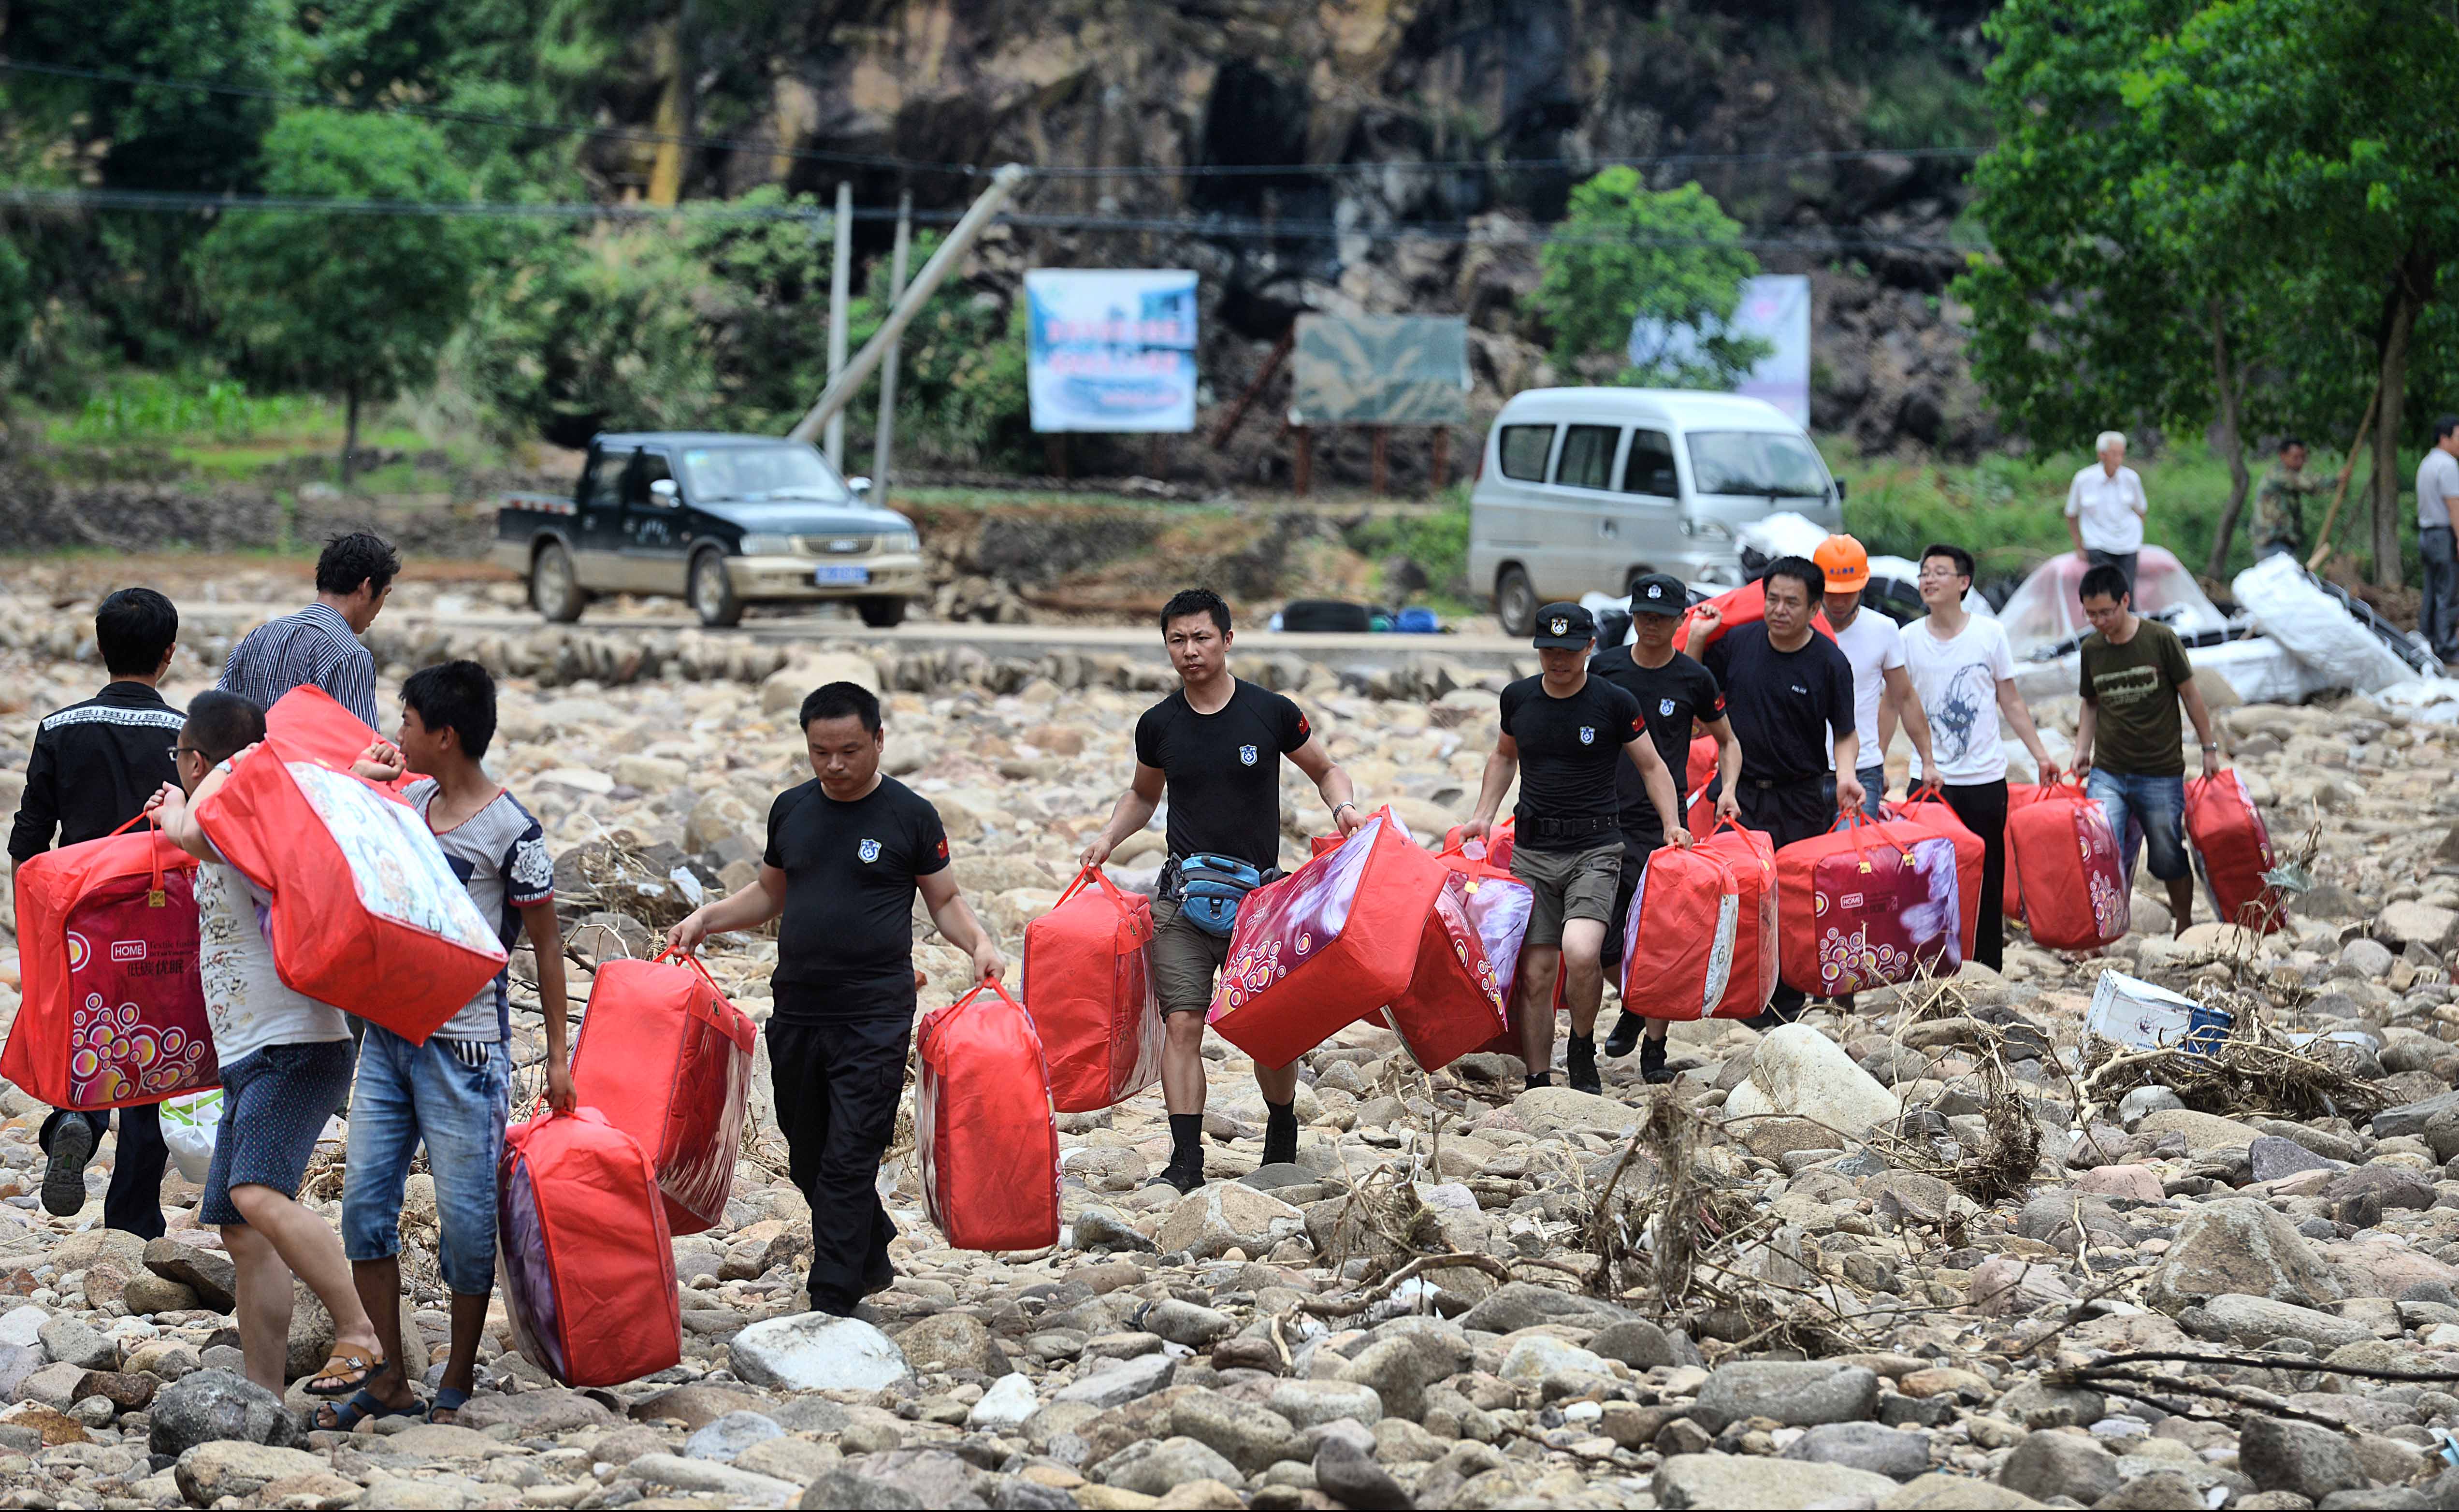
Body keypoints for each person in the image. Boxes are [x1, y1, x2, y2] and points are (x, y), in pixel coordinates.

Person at [665, 682, 1002, 1316]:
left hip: (875, 1012)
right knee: (806, 1152)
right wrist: (707, 918)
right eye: (820, 751)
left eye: (849, 750)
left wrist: (978, 944)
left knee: (851, 1153)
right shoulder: (791, 809)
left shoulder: (910, 815)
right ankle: (869, 1249)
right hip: (797, 1006)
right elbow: (770, 894)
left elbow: (945, 901)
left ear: (878, 740)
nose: (834, 765)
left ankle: (832, 1295)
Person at [328, 662, 570, 1428]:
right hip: (389, 1040)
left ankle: (458, 1376)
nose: (396, 733)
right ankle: (391, 1372)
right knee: (365, 1203)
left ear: (445, 734)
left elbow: (547, 946)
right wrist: (364, 779)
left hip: (466, 1051)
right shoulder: (410, 801)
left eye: (406, 721)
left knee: (467, 1221)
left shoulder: (513, 833)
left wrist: (559, 1055)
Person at [1078, 589, 1360, 1192]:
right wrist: (1108, 836)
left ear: (1228, 640)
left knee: (1268, 1026)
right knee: (1183, 1025)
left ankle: (1280, 1129)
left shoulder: (1271, 713)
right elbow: (1144, 796)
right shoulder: (1159, 725)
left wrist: (1345, 809)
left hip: (1259, 903)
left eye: (1202, 638)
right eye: (1177, 640)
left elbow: (1326, 770)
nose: (1190, 651)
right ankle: (1186, 1161)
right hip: (1180, 899)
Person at [148, 691, 385, 1398]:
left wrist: (182, 808)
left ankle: (360, 1328)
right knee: (240, 1229)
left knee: (255, 1194)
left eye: (185, 759)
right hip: (255, 1050)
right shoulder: (252, 803)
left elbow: (198, 835)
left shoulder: (243, 804)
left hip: (296, 1044)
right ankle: (262, 1396)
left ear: (197, 759)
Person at [7, 588, 184, 1234]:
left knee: (82, 1032)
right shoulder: (184, 735)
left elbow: (27, 842)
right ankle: (133, 1223)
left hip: (82, 917)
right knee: (151, 1049)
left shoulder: (59, 729)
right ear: (168, 654)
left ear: (101, 648)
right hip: (160, 920)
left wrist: (44, 914)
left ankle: (73, 1119)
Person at [1462, 601, 1688, 1094]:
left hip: (1596, 848)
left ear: (1589, 647)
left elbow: (1651, 766)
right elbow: (1504, 757)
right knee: (1538, 973)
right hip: (1533, 851)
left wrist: (1672, 823)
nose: (1558, 660)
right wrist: (1482, 814)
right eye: (1548, 650)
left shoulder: (1614, 702)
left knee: (1582, 951)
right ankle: (1538, 1078)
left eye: (1568, 650)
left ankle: (1581, 1046)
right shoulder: (1518, 699)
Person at [1693, 558, 1860, 1027]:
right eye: (1772, 599)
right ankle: (1744, 996)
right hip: (1740, 795)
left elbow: (1845, 732)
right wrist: (1698, 640)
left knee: (1792, 900)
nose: (1779, 610)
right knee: (1741, 896)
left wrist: (1846, 774)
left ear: (1814, 610)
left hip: (1802, 797)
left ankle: (1788, 1003)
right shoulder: (1739, 645)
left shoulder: (1829, 662)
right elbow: (1692, 691)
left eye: (1792, 602)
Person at [1588, 575, 1739, 1082]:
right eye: (1643, 615)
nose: (1651, 625)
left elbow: (1728, 741)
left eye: (1662, 617)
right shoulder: (1605, 668)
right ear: (1632, 616)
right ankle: (1634, 1001)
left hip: (1664, 825)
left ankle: (1655, 1048)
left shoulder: (1694, 678)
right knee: (1603, 941)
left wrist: (1729, 789)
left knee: (1661, 938)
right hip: (1604, 818)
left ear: (1680, 621)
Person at [1892, 544, 2060, 972]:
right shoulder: (1907, 639)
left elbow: (2012, 700)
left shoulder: (1989, 634)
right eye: (1924, 573)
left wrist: (2040, 755)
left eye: (1939, 573)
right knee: (1927, 876)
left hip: (1984, 779)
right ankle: (1929, 964)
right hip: (1928, 781)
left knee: (1987, 872)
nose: (1928, 580)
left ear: (1963, 583)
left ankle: (1987, 967)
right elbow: (1894, 704)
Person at [2073, 562, 2223, 937]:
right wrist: (2081, 749)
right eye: (2091, 614)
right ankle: (2104, 929)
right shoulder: (2091, 649)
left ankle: (2185, 924)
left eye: (2106, 612)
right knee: (2101, 848)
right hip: (2108, 769)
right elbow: (2090, 702)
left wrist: (2209, 748)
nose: (2100, 621)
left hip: (2159, 770)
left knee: (2168, 852)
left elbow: (2190, 694)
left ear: (2126, 601)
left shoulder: (2160, 639)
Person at [1814, 535, 1939, 818]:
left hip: (1862, 770)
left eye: (1848, 592)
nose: (1838, 601)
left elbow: (1904, 696)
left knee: (1853, 858)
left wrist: (1928, 761)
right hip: (1803, 771)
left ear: (1863, 586)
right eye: (1830, 592)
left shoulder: (1883, 629)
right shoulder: (1799, 630)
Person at [217, 532, 398, 726]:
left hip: (248, 758)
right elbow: (362, 747)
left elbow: (216, 721)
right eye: (385, 594)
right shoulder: (350, 655)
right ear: (366, 587)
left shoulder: (256, 638)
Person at [2066, 432, 2149, 597]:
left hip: (2127, 544)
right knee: (2103, 591)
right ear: (2102, 455)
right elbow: (2071, 514)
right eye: (2115, 454)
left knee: (2126, 592)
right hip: (2098, 543)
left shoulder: (2131, 479)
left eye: (2121, 454)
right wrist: (2079, 546)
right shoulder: (2084, 479)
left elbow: (2141, 510)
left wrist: (2136, 535)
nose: (2119, 459)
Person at [2417, 417, 2459, 664]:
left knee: (2431, 591)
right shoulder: (2448, 465)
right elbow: (2454, 506)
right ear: (2445, 438)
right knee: (2448, 593)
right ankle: (2447, 648)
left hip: (2427, 534)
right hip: (2444, 534)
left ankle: (2428, 641)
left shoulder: (2428, 463)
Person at [2254, 437, 2328, 562]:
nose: (2300, 462)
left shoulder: (2289, 477)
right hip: (2271, 544)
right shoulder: (2278, 476)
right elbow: (2309, 484)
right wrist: (2337, 480)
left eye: (2303, 458)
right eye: (2296, 457)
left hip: (2286, 544)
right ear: (2283, 456)